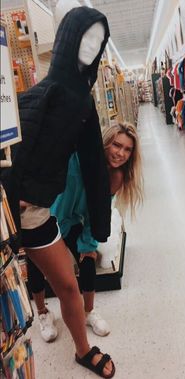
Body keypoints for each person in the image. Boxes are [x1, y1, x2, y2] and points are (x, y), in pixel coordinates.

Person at [2, 6, 116, 379]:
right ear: (69, 40)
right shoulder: (44, 93)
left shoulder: (80, 102)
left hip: (36, 211)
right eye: (87, 39)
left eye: (99, 43)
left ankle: (79, 346)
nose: (93, 48)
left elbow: (94, 168)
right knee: (56, 283)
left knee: (64, 281)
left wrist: (99, 226)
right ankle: (72, 342)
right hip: (17, 209)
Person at [27, 122, 144, 341]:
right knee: (36, 265)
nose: (121, 153)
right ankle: (43, 313)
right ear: (106, 143)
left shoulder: (115, 177)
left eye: (127, 149)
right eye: (117, 145)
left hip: (71, 220)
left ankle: (89, 312)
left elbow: (99, 212)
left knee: (88, 258)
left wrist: (87, 243)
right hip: (46, 216)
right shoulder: (80, 158)